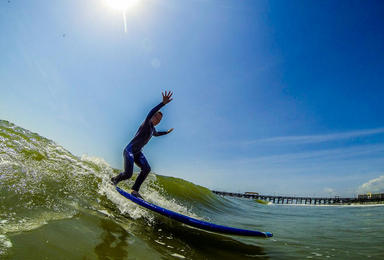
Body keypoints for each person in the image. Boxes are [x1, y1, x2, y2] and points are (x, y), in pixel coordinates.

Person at [111, 91, 174, 199]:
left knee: (146, 169)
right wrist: (163, 103)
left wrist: (166, 132)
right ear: (152, 117)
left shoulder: (152, 129)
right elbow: (152, 111)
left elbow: (157, 134)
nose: (158, 121)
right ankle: (113, 180)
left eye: (160, 120)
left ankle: (134, 190)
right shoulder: (146, 123)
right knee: (128, 174)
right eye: (157, 118)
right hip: (129, 150)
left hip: (137, 153)